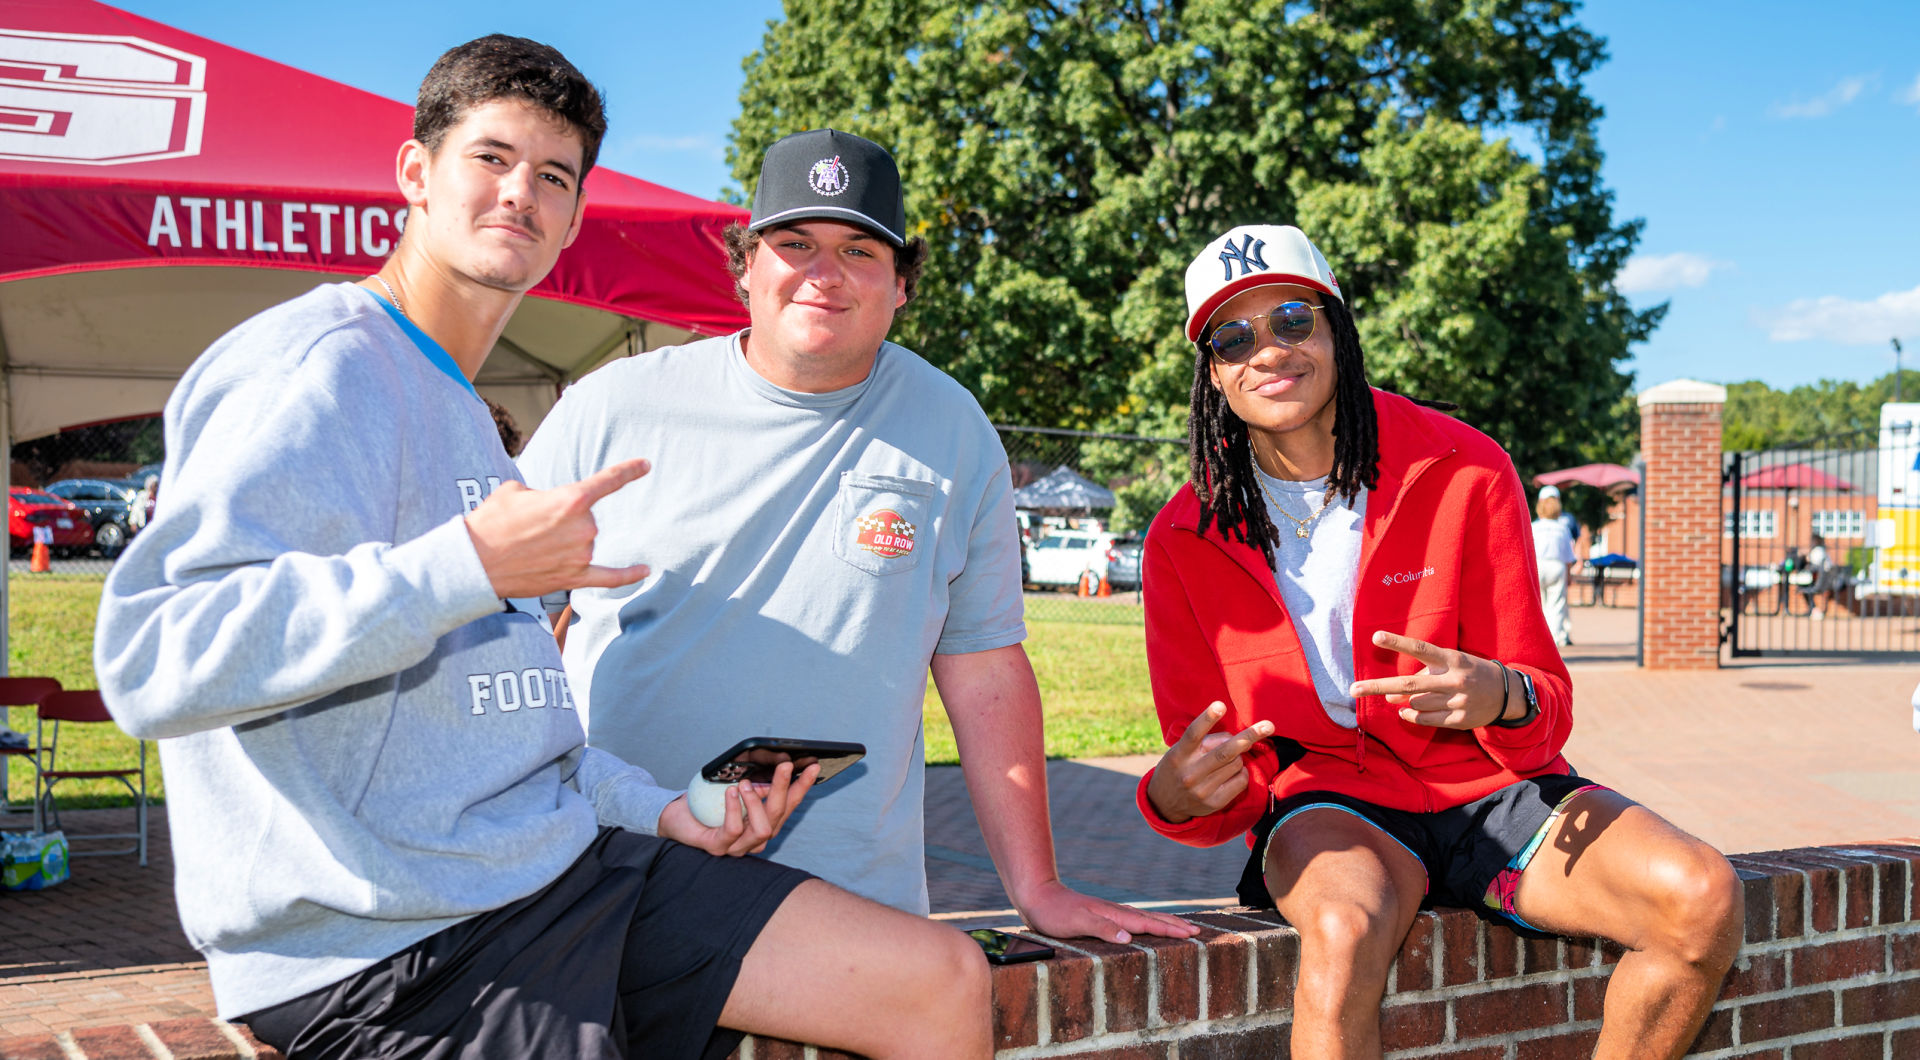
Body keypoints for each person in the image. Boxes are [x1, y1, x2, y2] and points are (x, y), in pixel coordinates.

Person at [94, 39, 987, 1060]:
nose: (520, 192)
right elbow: (153, 658)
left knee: (937, 983)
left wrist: (667, 812)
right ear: (414, 173)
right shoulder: (320, 368)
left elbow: (515, 736)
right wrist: (462, 566)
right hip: (390, 952)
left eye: (552, 177)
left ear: (570, 218)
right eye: (490, 157)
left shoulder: (465, 414)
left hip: (557, 878)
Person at [518, 128, 1195, 945]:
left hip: (855, 898)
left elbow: (984, 667)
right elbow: (504, 623)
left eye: (859, 250)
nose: (823, 274)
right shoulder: (610, 409)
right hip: (618, 875)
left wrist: (1037, 886)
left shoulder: (952, 427)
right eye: (795, 242)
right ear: (745, 266)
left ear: (902, 283)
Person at [1136, 223, 1743, 1059]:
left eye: (1292, 320)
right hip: (1332, 802)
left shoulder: (1463, 463)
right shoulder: (1182, 535)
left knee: (1702, 898)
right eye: (1233, 337)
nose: (1267, 350)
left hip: (1490, 785)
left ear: (1338, 328)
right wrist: (1175, 793)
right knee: (1344, 932)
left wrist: (1498, 692)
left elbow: (1544, 702)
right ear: (1213, 374)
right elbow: (1218, 777)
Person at [1532, 485, 1576, 646]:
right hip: (1557, 567)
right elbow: (1568, 556)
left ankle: (1538, 638)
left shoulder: (1534, 527)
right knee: (1556, 605)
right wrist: (1569, 575)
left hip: (1538, 566)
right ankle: (1554, 639)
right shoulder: (1563, 528)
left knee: (1539, 604)